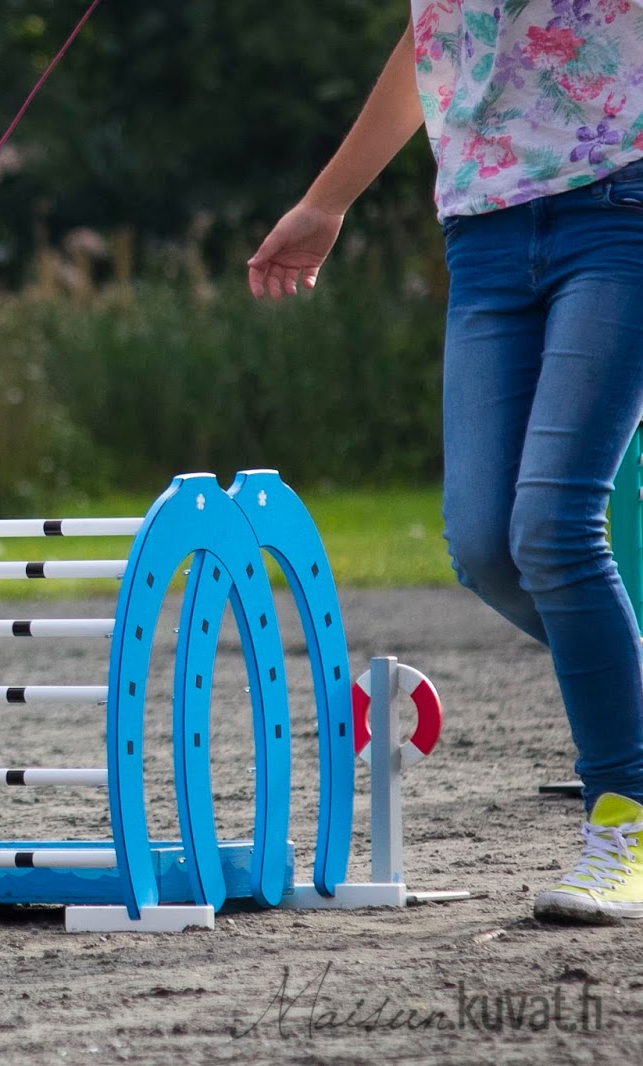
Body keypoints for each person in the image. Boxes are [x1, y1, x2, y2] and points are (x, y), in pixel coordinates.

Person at [248, 1, 643, 924]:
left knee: (553, 527)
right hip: (483, 228)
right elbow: (435, 35)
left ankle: (624, 826)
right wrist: (327, 200)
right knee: (485, 547)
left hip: (619, 206)